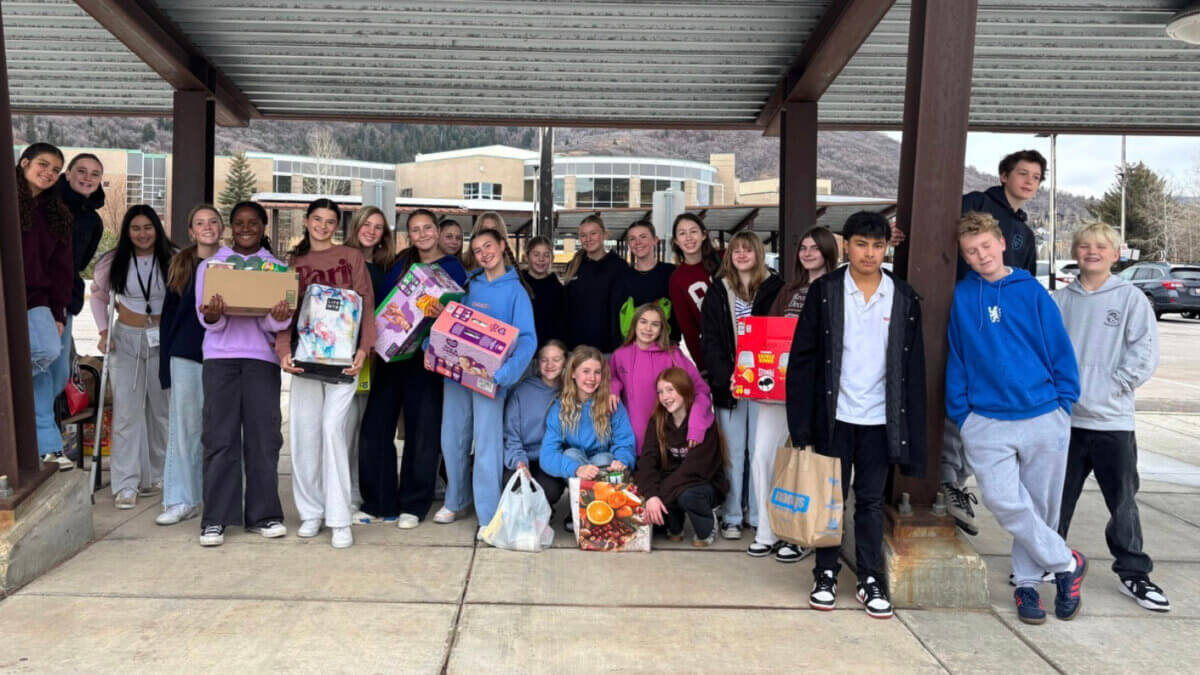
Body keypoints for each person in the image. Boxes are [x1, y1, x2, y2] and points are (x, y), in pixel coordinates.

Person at [786, 211, 927, 620]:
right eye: (861, 244)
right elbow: (804, 359)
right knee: (830, 501)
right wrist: (802, 424)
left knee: (868, 501)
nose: (869, 253)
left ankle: (870, 579)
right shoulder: (827, 291)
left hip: (880, 419)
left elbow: (912, 368)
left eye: (878, 245)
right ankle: (825, 573)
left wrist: (911, 427)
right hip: (835, 415)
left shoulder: (902, 296)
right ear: (845, 244)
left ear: (888, 248)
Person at [947, 211, 1085, 625]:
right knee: (1004, 500)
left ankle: (1028, 584)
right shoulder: (963, 296)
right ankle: (1066, 562)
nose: (980, 255)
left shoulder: (1033, 293)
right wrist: (963, 414)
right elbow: (956, 355)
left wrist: (1064, 402)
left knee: (1041, 506)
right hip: (986, 419)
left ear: (1002, 243)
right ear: (965, 257)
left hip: (1044, 413)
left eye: (986, 246)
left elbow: (1060, 349)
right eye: (971, 252)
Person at [1054, 222, 1168, 612]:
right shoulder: (1060, 300)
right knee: (1056, 499)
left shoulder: (1131, 298)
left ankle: (1134, 573)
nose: (1092, 252)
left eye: (1101, 247)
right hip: (1066, 421)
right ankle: (1049, 560)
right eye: (1084, 246)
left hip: (1112, 423)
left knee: (1122, 502)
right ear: (1075, 252)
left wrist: (1113, 385)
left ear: (1114, 255)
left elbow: (1144, 352)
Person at [941, 150, 1045, 535]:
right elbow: (932, 229)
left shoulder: (1025, 233)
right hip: (957, 315)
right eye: (1023, 173)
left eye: (1037, 176)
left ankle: (958, 482)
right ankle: (947, 483)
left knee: (984, 409)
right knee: (956, 404)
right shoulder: (974, 203)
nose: (1029, 181)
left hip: (997, 330)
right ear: (1004, 175)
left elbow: (1025, 286)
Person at [357, 209, 466, 528]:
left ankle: (413, 504)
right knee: (375, 427)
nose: (422, 234)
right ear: (409, 235)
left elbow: (459, 315)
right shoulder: (401, 262)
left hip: (427, 359)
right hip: (392, 357)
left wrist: (441, 312)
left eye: (427, 228)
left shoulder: (453, 267)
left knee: (423, 431)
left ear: (437, 230)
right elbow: (384, 305)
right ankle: (378, 501)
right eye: (415, 230)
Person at [278, 199, 375, 549]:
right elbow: (284, 311)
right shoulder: (294, 262)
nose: (322, 226)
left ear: (337, 226)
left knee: (333, 430)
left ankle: (338, 518)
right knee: (305, 434)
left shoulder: (351, 258)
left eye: (330, 221)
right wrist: (283, 350)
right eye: (317, 219)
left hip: (345, 359)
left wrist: (364, 350)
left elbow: (367, 305)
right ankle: (311, 513)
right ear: (306, 221)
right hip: (305, 358)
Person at [195, 202, 292, 547]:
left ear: (264, 226)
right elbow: (205, 318)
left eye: (253, 223)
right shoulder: (211, 266)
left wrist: (278, 316)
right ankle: (216, 519)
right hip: (220, 359)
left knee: (264, 439)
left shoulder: (278, 268)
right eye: (239, 223)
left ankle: (264, 515)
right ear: (231, 228)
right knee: (220, 438)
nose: (246, 228)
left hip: (261, 361)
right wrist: (214, 313)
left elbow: (277, 323)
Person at [748, 226, 840, 563]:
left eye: (815, 247)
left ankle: (798, 533)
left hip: (816, 388)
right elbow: (768, 335)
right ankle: (766, 529)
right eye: (803, 247)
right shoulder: (789, 288)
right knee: (762, 455)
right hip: (778, 385)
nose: (808, 252)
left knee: (805, 460)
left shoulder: (839, 287)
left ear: (829, 251)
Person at [436, 228, 536, 535]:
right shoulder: (468, 284)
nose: (484, 253)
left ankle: (488, 513)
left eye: (488, 246)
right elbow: (449, 323)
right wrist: (435, 348)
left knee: (488, 444)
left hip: (491, 380)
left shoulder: (516, 291)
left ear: (503, 246)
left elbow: (528, 339)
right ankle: (456, 499)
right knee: (452, 438)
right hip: (456, 375)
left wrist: (504, 375)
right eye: (477, 249)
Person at [700, 231, 781, 540]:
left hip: (764, 387)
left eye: (748, 250)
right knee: (732, 453)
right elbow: (711, 341)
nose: (742, 255)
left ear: (758, 253)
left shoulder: (775, 288)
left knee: (759, 453)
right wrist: (726, 377)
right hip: (730, 387)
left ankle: (759, 514)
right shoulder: (718, 291)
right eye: (736, 251)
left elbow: (779, 336)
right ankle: (732, 515)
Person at [91, 204, 174, 508]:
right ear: (127, 231)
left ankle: (155, 475)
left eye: (148, 227)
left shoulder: (174, 258)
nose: (142, 234)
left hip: (162, 341)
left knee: (161, 412)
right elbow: (99, 296)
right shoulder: (113, 261)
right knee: (127, 413)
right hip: (125, 340)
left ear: (157, 228)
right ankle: (125, 483)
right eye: (135, 228)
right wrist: (103, 331)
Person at [155, 204, 223, 526]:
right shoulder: (179, 264)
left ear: (221, 228)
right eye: (200, 222)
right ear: (192, 231)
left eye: (213, 221)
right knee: (184, 430)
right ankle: (182, 498)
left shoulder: (231, 264)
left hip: (222, 355)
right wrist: (165, 366)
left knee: (219, 431)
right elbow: (168, 318)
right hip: (185, 354)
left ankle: (218, 498)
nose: (207, 226)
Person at [16, 143, 75, 471]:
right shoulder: (8, 201)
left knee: (50, 356)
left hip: (38, 300)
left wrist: (58, 313)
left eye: (55, 169)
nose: (48, 173)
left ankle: (10, 385)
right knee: (40, 379)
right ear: (24, 163)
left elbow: (62, 270)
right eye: (43, 164)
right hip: (5, 299)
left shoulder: (57, 214)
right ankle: (48, 447)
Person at [539, 346, 637, 527]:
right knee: (571, 454)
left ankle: (604, 508)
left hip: (604, 469)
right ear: (573, 374)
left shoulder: (611, 403)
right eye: (586, 371)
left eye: (597, 372)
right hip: (577, 467)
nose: (591, 378)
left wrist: (621, 460)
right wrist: (576, 469)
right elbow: (547, 455)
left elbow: (624, 441)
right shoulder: (561, 407)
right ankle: (577, 508)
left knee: (603, 457)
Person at [635, 367, 727, 547]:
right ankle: (675, 525)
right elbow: (647, 460)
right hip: (670, 482)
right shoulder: (658, 420)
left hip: (700, 483)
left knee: (687, 496)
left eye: (670, 390)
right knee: (672, 530)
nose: (665, 397)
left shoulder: (702, 423)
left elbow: (694, 469)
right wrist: (651, 495)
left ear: (684, 389)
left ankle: (709, 526)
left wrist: (658, 494)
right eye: (660, 392)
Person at [609, 303, 712, 457]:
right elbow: (610, 379)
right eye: (643, 322)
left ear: (662, 329)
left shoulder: (672, 355)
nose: (648, 329)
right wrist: (613, 388)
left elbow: (700, 390)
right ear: (635, 323)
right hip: (631, 442)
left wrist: (696, 426)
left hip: (668, 440)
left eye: (655, 324)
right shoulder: (620, 355)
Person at [343, 206, 395, 512]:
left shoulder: (386, 268)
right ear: (357, 226)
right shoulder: (343, 260)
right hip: (344, 352)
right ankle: (345, 490)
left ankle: (360, 487)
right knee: (344, 425)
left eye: (378, 227)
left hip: (376, 356)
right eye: (367, 224)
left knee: (366, 426)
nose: (371, 231)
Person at [51, 153, 105, 413]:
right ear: (68, 173)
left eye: (95, 174)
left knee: (60, 370)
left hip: (68, 298)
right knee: (41, 364)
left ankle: (49, 436)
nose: (88, 178)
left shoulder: (93, 221)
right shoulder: (49, 204)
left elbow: (80, 262)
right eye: (81, 171)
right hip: (42, 298)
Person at [502, 340, 570, 511]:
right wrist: (519, 461)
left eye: (556, 359)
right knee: (515, 486)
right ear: (537, 363)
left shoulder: (570, 393)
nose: (549, 365)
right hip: (521, 456)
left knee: (550, 490)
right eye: (544, 360)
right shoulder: (522, 392)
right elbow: (510, 434)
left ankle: (544, 511)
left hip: (549, 460)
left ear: (566, 363)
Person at [563, 215, 628, 353]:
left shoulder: (619, 267)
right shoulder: (573, 266)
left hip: (608, 349)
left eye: (593, 233)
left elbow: (623, 310)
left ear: (604, 235)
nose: (588, 239)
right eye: (583, 235)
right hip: (576, 348)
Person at [668, 212, 721, 372]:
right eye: (682, 233)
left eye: (693, 231)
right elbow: (688, 328)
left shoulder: (723, 258)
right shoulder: (677, 279)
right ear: (676, 241)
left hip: (742, 340)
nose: (689, 238)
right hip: (715, 350)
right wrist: (703, 367)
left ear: (704, 235)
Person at [614, 220, 677, 342]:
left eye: (643, 237)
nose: (638, 242)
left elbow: (679, 313)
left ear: (655, 240)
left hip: (666, 346)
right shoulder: (622, 277)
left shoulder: (670, 273)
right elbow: (617, 318)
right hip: (633, 348)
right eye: (632, 239)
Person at [521, 235, 566, 347]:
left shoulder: (558, 289)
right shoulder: (518, 285)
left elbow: (563, 325)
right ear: (526, 257)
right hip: (521, 351)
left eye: (546, 255)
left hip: (549, 352)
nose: (541, 259)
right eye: (536, 254)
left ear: (552, 259)